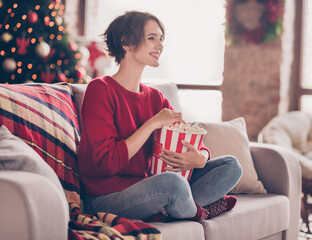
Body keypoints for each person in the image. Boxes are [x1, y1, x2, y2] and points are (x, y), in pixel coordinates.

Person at [78, 10, 242, 222]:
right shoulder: (100, 90)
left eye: (161, 39)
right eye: (152, 38)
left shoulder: (156, 98)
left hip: (150, 187)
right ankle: (198, 211)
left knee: (231, 166)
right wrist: (152, 124)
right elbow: (107, 162)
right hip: (107, 196)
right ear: (126, 43)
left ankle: (170, 210)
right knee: (173, 184)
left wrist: (200, 157)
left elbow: (185, 138)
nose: (160, 46)